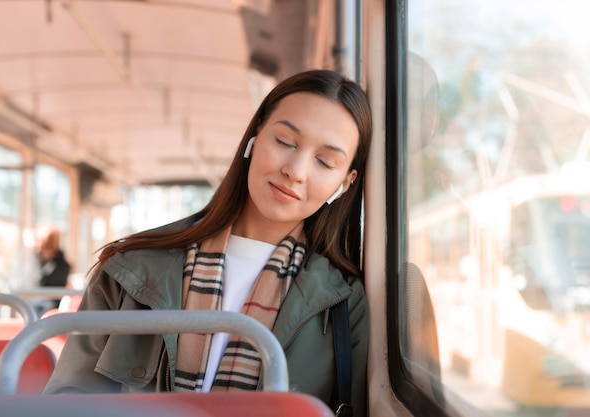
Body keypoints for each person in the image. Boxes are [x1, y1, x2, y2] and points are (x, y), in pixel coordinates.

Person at [44, 69, 372, 416]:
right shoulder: (130, 269)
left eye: (325, 161)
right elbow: (68, 401)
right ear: (256, 135)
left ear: (346, 183)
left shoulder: (342, 305)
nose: (296, 170)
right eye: (285, 142)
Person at [34, 225, 71, 315]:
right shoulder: (35, 261)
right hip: (35, 301)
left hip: (51, 305)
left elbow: (42, 282)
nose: (39, 248)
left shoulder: (62, 266)